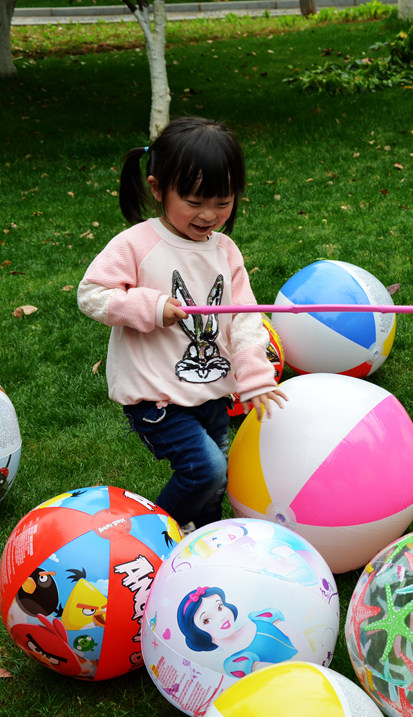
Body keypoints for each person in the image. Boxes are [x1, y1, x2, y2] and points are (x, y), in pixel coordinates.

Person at [78, 116, 287, 531]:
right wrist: (152, 307)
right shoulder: (137, 244)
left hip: (211, 394)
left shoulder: (226, 251)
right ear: (158, 188)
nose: (210, 214)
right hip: (157, 399)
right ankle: (152, 536)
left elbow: (244, 318)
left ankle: (202, 540)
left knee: (215, 480)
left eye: (223, 201)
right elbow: (92, 296)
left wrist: (256, 375)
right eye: (194, 202)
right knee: (205, 472)